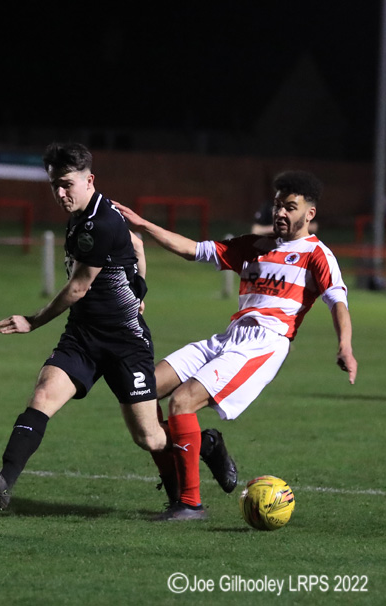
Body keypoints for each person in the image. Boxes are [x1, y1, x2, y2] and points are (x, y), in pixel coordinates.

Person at [0, 142, 235, 515]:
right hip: (83, 337)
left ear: (89, 179)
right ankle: (3, 481)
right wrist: (139, 287)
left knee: (150, 437)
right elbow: (136, 244)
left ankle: (205, 444)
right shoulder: (85, 213)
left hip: (125, 342)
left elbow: (77, 287)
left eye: (66, 184)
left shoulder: (100, 222)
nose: (60, 193)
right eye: (54, 185)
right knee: (43, 395)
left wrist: (33, 320)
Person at [114, 169, 357, 520]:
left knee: (182, 403)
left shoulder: (316, 255)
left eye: (290, 207)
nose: (280, 213)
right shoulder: (253, 246)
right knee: (144, 392)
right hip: (229, 337)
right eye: (277, 205)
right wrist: (142, 223)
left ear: (309, 214)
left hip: (264, 344)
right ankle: (203, 451)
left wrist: (345, 346)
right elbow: (191, 250)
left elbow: (338, 302)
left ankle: (190, 504)